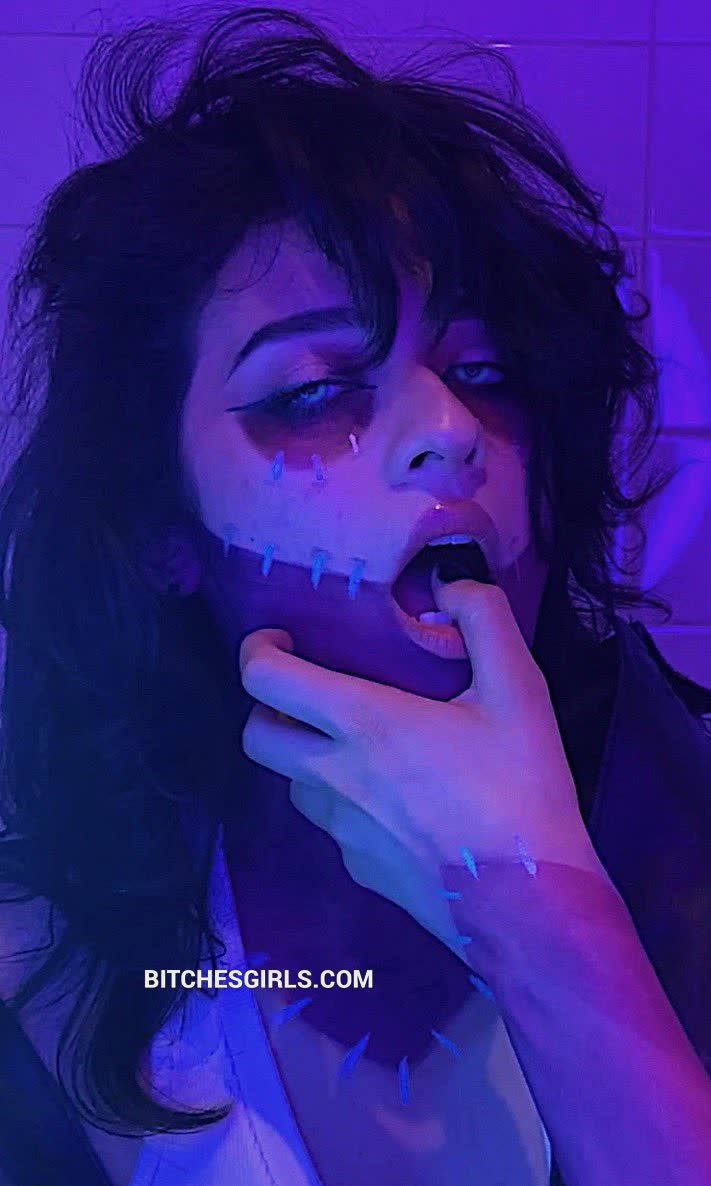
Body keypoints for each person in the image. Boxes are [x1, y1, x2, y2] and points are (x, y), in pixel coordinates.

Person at [0, 6, 710, 1185]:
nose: (452, 428)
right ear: (163, 533)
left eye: (485, 370)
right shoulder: (40, 961)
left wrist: (539, 908)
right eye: (314, 389)